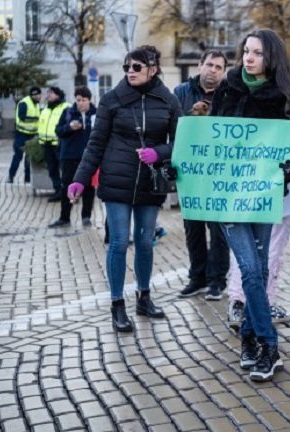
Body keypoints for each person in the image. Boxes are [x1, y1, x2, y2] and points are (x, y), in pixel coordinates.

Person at [210, 29, 290, 382]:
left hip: (265, 196)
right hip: (228, 195)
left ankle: (248, 338)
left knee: (261, 271)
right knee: (250, 270)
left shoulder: (285, 95)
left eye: (257, 53)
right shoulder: (228, 87)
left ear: (272, 58)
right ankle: (270, 344)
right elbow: (212, 136)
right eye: (246, 51)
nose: (249, 58)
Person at [68, 45, 183, 332]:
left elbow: (182, 141)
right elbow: (96, 143)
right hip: (116, 180)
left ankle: (144, 297)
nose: (130, 72)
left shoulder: (168, 100)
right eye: (127, 67)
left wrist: (159, 152)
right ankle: (117, 305)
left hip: (150, 182)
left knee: (145, 242)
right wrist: (80, 179)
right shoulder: (112, 100)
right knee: (119, 241)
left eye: (136, 67)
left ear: (153, 69)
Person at [174, 49, 230, 301]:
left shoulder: (229, 94)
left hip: (219, 173)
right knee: (192, 227)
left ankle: (217, 280)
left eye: (219, 67)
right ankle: (197, 277)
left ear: (224, 71)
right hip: (192, 173)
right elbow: (172, 128)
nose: (213, 71)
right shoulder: (181, 93)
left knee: (219, 229)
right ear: (200, 65)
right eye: (210, 65)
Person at [227, 182, 290, 328]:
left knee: (243, 251)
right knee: (271, 249)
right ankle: (265, 303)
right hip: (272, 195)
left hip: (242, 196)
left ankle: (237, 303)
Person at [48, 86, 97, 228]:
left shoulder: (96, 114)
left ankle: (86, 217)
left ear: (89, 100)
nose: (80, 103)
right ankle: (64, 217)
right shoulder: (69, 112)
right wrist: (69, 127)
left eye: (84, 100)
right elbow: (58, 130)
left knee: (88, 188)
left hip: (89, 157)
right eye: (78, 100)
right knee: (67, 187)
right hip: (69, 156)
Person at [38, 87, 70, 201]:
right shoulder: (46, 109)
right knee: (52, 170)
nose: (48, 95)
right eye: (48, 93)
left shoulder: (66, 107)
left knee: (66, 171)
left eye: (51, 93)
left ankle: (70, 193)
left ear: (58, 95)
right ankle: (58, 192)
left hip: (60, 145)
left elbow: (69, 126)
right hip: (47, 144)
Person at [8, 86, 42, 184]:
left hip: (32, 135)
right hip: (21, 134)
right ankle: (11, 176)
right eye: (36, 95)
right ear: (32, 95)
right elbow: (22, 117)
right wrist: (36, 119)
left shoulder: (36, 104)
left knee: (29, 158)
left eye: (39, 94)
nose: (38, 97)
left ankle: (27, 178)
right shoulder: (24, 103)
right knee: (18, 156)